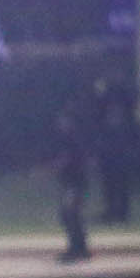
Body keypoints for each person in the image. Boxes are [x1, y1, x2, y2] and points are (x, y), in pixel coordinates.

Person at [93, 73, 136, 223]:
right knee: (113, 180)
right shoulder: (115, 105)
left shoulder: (116, 103)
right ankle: (114, 211)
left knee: (117, 180)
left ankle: (117, 212)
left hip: (117, 146)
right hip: (114, 145)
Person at [50, 105, 91, 263]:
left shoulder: (72, 138)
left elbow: (69, 159)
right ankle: (80, 247)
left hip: (76, 182)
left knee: (69, 213)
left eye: (63, 120)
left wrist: (55, 166)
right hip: (72, 182)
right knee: (71, 214)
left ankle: (77, 248)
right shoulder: (67, 138)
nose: (60, 123)